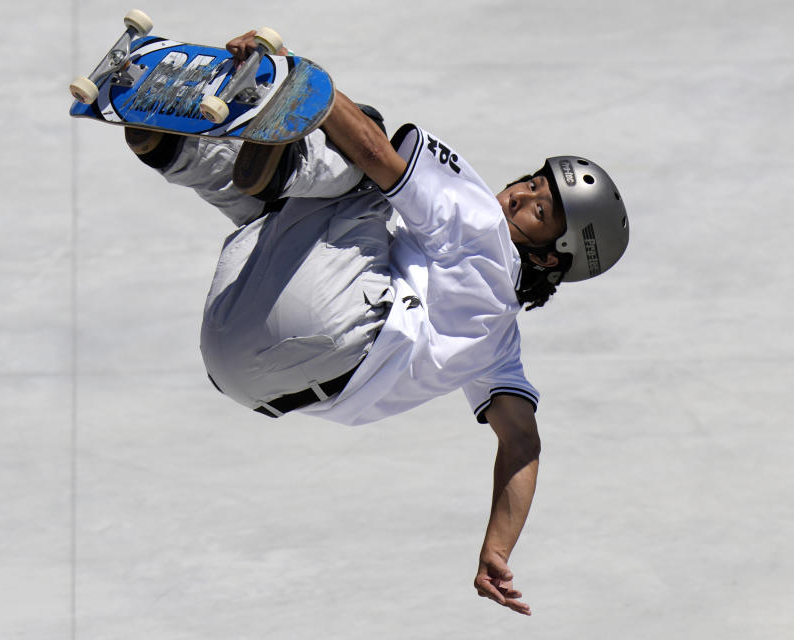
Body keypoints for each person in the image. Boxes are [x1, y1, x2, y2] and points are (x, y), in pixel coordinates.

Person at [122, 31, 629, 616]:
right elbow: (522, 441)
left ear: (548, 258)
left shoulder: (479, 225)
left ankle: (273, 159)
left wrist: (305, 80)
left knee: (365, 144)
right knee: (283, 210)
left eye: (541, 211)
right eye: (533, 182)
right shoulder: (498, 345)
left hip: (337, 329)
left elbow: (374, 155)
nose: (519, 196)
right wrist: (497, 546)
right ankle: (169, 144)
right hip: (244, 372)